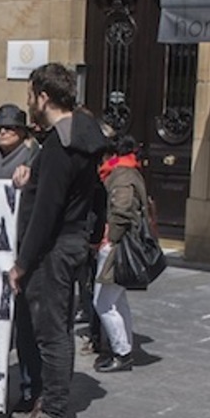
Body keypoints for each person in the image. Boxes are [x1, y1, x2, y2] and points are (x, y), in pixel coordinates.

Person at [6, 63, 108, 418]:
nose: (29, 102)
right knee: (55, 328)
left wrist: (22, 263)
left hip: (53, 249)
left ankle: (54, 415)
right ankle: (46, 405)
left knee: (52, 332)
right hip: (70, 243)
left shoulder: (58, 146)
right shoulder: (78, 135)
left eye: (31, 95)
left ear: (43, 97)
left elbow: (46, 212)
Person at [92, 134, 148, 373]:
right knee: (118, 299)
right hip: (123, 242)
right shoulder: (129, 171)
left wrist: (110, 237)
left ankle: (121, 353)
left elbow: (122, 209)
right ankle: (125, 347)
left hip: (118, 245)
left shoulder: (122, 175)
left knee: (102, 301)